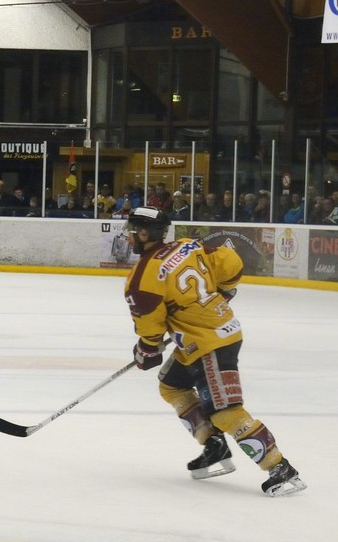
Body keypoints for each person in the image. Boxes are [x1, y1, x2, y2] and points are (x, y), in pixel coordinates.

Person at [123, 206, 304, 496]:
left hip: (209, 342)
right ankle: (214, 445)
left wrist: (147, 349)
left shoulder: (143, 276)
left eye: (132, 230)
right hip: (214, 333)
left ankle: (279, 468)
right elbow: (230, 261)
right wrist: (224, 292)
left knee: (224, 409)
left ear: (144, 233)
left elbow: (150, 324)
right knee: (172, 386)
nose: (129, 235)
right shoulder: (187, 246)